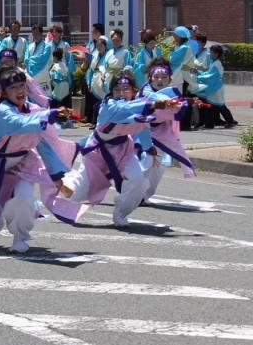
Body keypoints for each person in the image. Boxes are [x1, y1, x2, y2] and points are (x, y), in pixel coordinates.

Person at [0, 67, 79, 252]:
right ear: (4, 92)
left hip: (23, 162)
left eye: (22, 85)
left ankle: (20, 237)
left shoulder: (34, 110)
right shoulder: (4, 112)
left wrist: (55, 175)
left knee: (24, 198)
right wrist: (49, 115)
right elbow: (21, 123)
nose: (20, 91)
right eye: (13, 88)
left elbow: (42, 143)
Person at [62, 74, 178, 227]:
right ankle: (62, 182)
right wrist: (154, 104)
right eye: (117, 90)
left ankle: (121, 213)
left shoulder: (138, 107)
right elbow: (124, 110)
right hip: (98, 151)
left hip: (123, 149)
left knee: (139, 180)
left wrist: (149, 148)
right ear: (111, 92)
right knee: (80, 192)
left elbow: (142, 129)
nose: (121, 93)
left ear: (134, 91)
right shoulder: (109, 106)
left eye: (126, 89)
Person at [136, 61, 195, 204]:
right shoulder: (145, 92)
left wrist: (185, 102)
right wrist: (172, 103)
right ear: (150, 78)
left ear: (170, 80)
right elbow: (155, 101)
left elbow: (171, 108)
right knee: (146, 162)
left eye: (164, 77)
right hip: (141, 132)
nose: (160, 80)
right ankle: (134, 192)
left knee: (159, 167)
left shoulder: (171, 93)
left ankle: (144, 195)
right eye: (156, 77)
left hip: (161, 132)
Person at [193, 45, 237, 129]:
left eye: (212, 52)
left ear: (216, 54)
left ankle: (226, 122)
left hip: (215, 88)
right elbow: (208, 74)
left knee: (217, 106)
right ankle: (213, 123)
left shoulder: (216, 64)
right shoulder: (215, 63)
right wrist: (201, 74)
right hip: (215, 87)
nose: (210, 54)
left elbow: (210, 76)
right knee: (216, 106)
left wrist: (199, 77)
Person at [85, 37, 110, 125]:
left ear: (105, 46)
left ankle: (102, 122)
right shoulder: (95, 56)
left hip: (103, 83)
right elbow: (91, 70)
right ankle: (94, 122)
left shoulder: (109, 56)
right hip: (94, 82)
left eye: (101, 45)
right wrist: (89, 82)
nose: (99, 47)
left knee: (103, 104)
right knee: (94, 103)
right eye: (97, 46)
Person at [103, 29, 133, 93]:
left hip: (119, 79)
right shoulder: (109, 52)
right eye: (113, 40)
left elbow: (128, 67)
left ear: (121, 40)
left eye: (117, 40)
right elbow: (105, 66)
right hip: (108, 79)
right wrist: (103, 75)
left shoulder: (125, 52)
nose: (115, 42)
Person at [25, 24, 52, 94]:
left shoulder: (47, 46)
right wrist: (29, 61)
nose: (35, 35)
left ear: (41, 33)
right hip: (30, 76)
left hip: (43, 76)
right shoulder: (29, 46)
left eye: (37, 33)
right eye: (33, 34)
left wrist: (30, 60)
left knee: (45, 98)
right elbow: (26, 60)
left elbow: (43, 58)